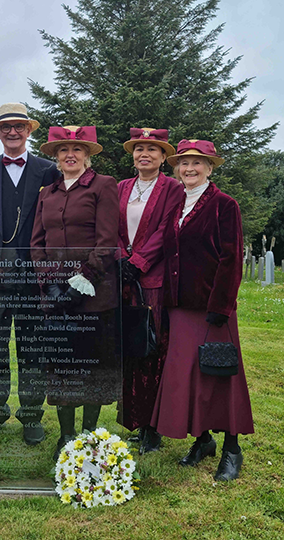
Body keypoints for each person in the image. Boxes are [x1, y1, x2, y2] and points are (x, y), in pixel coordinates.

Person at [153, 139, 254, 481]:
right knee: (188, 376)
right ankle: (202, 440)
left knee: (220, 376)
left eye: (198, 163)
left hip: (213, 307)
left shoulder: (224, 205)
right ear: (176, 168)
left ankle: (232, 448)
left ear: (210, 168)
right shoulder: (175, 204)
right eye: (184, 163)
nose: (190, 169)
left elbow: (231, 257)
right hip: (181, 306)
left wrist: (222, 305)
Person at [0, 102, 60, 445]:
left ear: (29, 131)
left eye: (18, 126)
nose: (12, 132)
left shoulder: (47, 169)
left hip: (32, 278)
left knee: (31, 349)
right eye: (5, 126)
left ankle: (31, 414)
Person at [30, 126, 119, 458]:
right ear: (55, 156)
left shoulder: (103, 186)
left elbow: (107, 239)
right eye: (63, 150)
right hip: (55, 298)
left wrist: (81, 280)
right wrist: (50, 283)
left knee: (91, 365)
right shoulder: (46, 193)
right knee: (62, 366)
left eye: (77, 149)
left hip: (93, 296)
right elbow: (36, 244)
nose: (70, 155)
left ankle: (90, 434)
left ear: (87, 154)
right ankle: (66, 436)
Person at [116, 128, 183, 454]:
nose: (145, 154)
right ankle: (136, 421)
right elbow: (110, 228)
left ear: (162, 156)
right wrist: (121, 260)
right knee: (130, 351)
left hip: (153, 280)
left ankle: (154, 427)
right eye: (139, 148)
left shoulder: (172, 189)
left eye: (152, 150)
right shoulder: (121, 188)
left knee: (152, 351)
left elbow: (165, 230)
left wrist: (138, 261)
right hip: (123, 280)